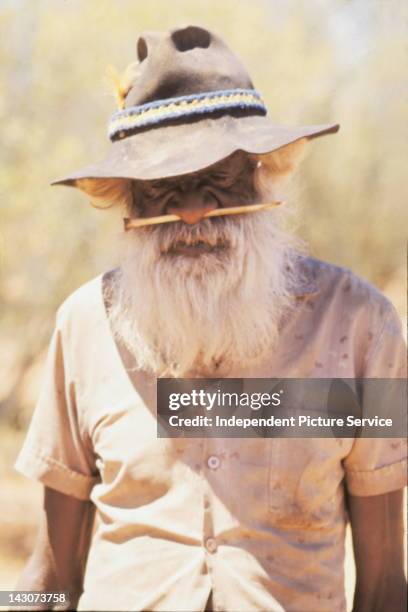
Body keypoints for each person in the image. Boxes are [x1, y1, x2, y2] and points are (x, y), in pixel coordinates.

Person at [15, 25, 406, 612]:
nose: (194, 211)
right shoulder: (84, 326)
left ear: (261, 175)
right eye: (163, 189)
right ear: (128, 202)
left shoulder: (360, 325)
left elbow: (383, 585)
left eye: (216, 178)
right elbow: (48, 578)